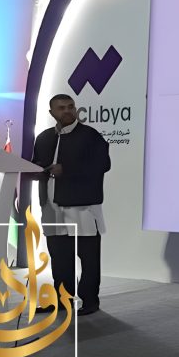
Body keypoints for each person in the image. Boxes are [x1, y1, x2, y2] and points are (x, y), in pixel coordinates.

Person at [31, 94, 111, 316]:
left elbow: (103, 164)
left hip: (81, 208)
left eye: (70, 107)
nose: (67, 111)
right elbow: (37, 163)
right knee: (60, 258)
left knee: (88, 258)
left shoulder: (90, 135)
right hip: (51, 207)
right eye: (61, 108)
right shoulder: (44, 138)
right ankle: (62, 300)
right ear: (52, 112)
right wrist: (36, 171)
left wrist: (66, 170)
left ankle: (90, 301)